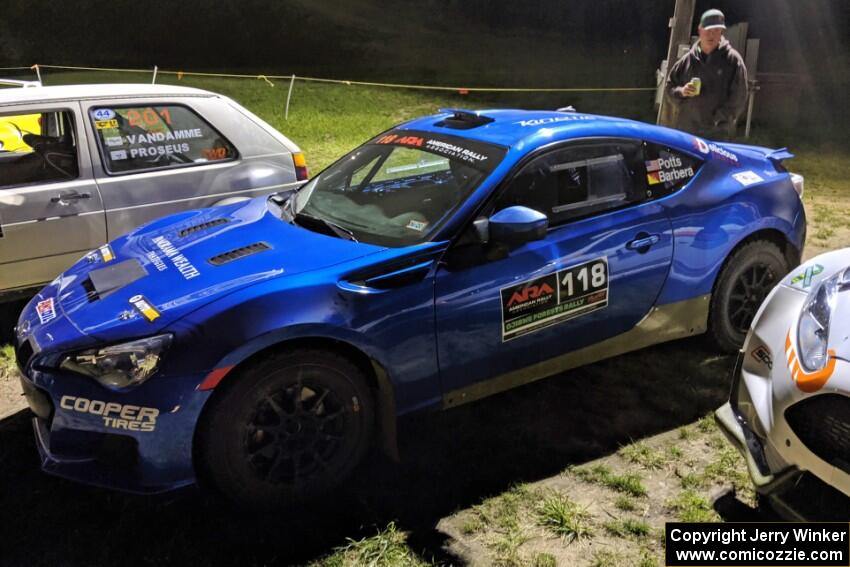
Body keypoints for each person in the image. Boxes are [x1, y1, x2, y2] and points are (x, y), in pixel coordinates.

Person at [663, 9, 748, 139]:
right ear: (700, 30)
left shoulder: (733, 61)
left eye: (716, 30)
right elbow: (669, 87)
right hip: (687, 132)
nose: (711, 35)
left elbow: (739, 98)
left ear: (722, 32)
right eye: (708, 30)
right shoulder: (688, 60)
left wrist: (718, 119)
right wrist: (682, 92)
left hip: (717, 135)